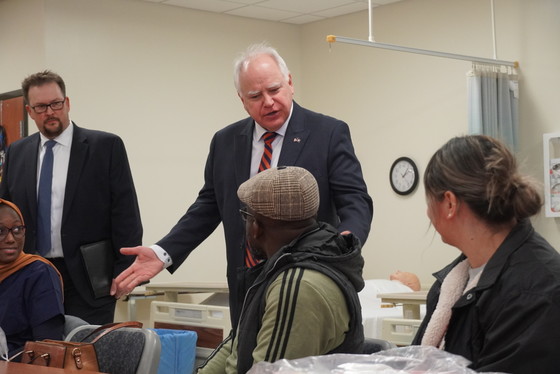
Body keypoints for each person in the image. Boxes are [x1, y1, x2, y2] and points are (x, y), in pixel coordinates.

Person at [112, 42, 373, 325]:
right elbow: (208, 207)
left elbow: (355, 200)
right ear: (241, 99)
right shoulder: (225, 141)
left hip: (308, 281)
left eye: (274, 90)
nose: (268, 102)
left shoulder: (328, 132)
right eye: (255, 95)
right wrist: (164, 253)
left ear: (290, 83)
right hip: (246, 284)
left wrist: (342, 247)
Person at [0, 70, 143, 324]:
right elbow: (6, 214)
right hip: (31, 274)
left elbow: (125, 213)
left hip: (90, 279)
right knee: (35, 355)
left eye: (56, 104)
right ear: (30, 111)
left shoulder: (105, 147)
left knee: (85, 355)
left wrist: (126, 271)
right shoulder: (17, 153)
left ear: (67, 103)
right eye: (41, 107)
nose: (50, 112)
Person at [412, 135, 560, 373]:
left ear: (449, 203)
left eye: (429, 200)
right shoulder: (451, 284)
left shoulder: (536, 293)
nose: (428, 213)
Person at [198, 166, 365, 374]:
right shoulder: (286, 266)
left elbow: (267, 371)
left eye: (246, 216)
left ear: (256, 227)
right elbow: (238, 346)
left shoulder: (297, 286)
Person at [0, 198, 64, 360]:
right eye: (0, 231)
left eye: (16, 229)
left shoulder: (39, 273)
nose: (10, 239)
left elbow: (47, 348)